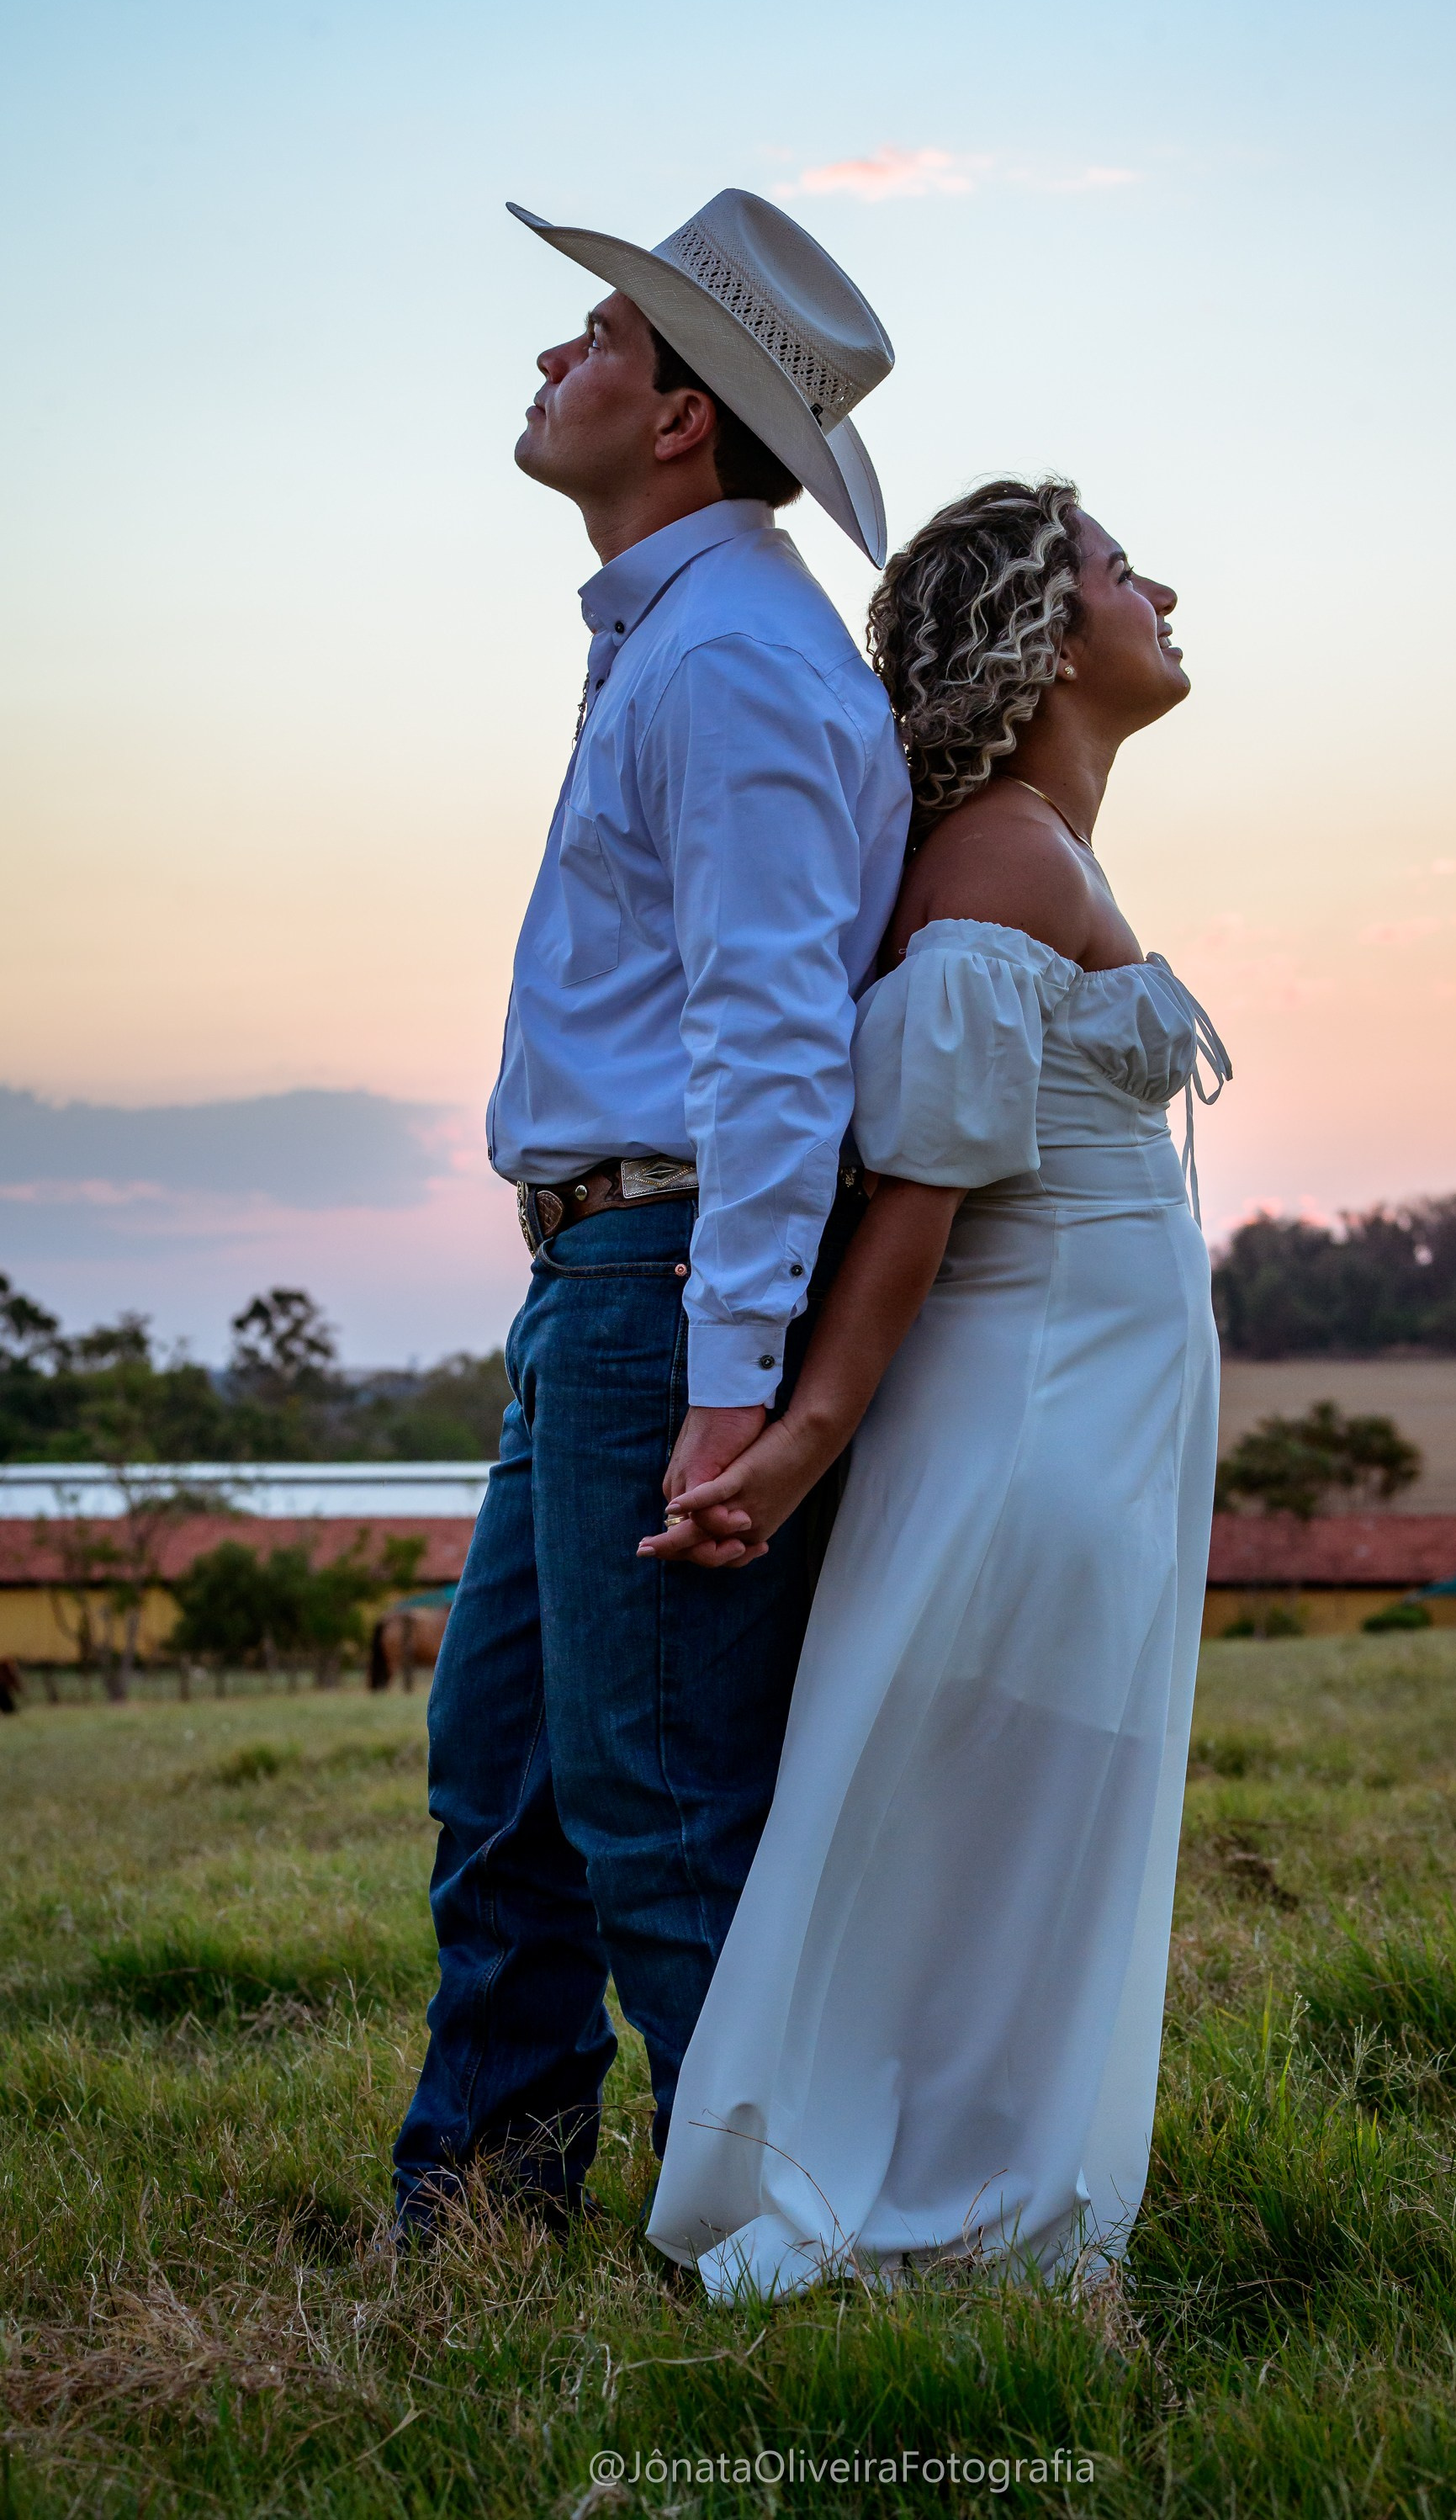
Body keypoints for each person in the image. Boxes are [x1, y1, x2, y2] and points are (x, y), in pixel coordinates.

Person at [641, 477, 1232, 2296]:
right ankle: (951, 2228)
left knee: (1029, 1829)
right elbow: (918, 1200)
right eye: (1126, 570)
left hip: (1093, 1432)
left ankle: (987, 2209)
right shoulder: (993, 855)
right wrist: (801, 1438)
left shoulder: (1040, 846)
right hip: (1032, 1428)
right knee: (996, 1827)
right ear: (1047, 634)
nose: (1165, 590)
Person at [390, 190, 909, 2234]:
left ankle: (774, 2251)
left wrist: (729, 1372)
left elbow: (776, 1045)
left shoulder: (733, 666)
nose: (550, 362)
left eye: (593, 336)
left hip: (664, 1273)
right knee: (506, 1784)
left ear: (682, 415)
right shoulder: (680, 642)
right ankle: (482, 2213)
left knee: (660, 1798)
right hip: (601, 1272)